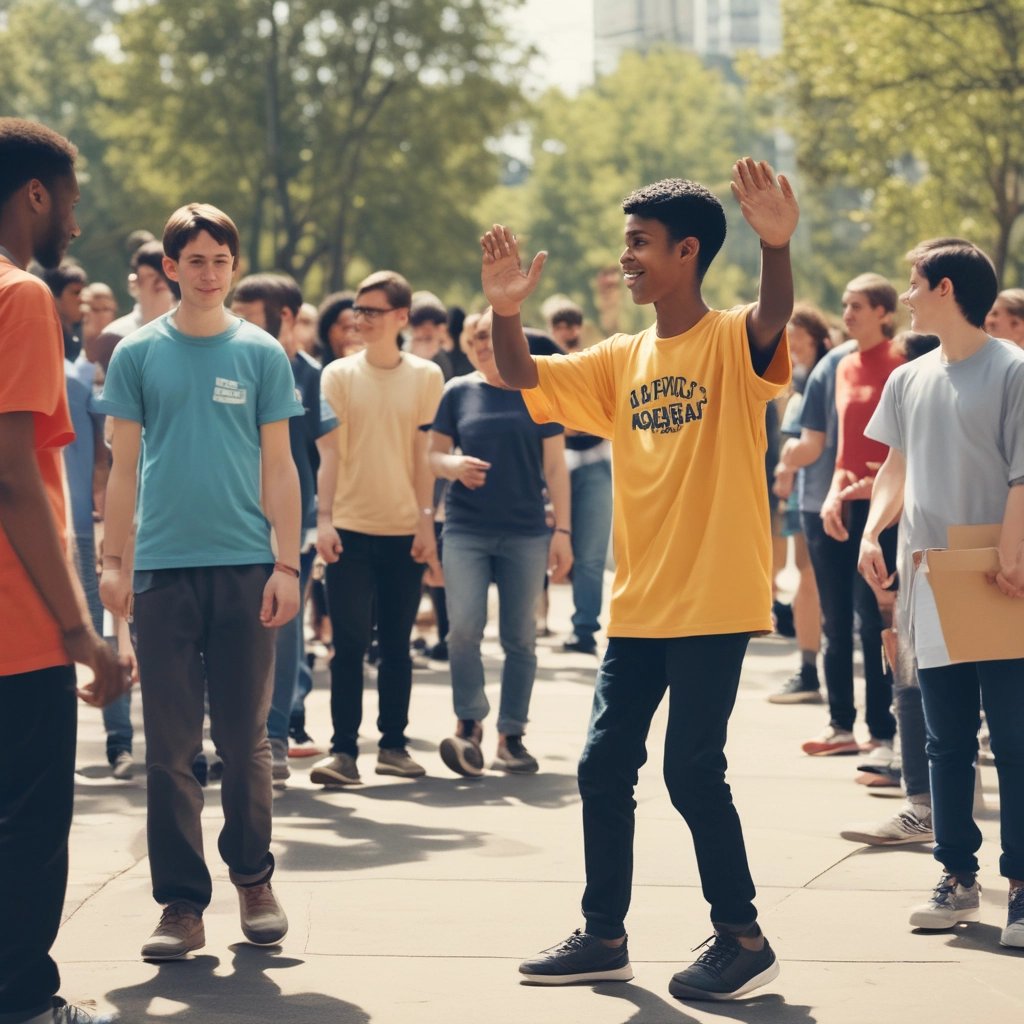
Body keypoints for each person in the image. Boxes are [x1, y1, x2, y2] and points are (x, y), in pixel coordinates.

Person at [482, 158, 796, 1000]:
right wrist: (506, 311)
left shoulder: (732, 339)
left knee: (691, 770)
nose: (627, 257)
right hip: (640, 605)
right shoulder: (622, 358)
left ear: (687, 251)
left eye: (640, 243)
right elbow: (523, 377)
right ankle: (603, 934)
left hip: (715, 598)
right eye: (626, 241)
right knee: (601, 766)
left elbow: (773, 318)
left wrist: (777, 247)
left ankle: (743, 936)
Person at [98, 202, 303, 961]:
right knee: (169, 747)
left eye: (221, 260)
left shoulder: (261, 355)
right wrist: (113, 563)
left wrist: (288, 563)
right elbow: (121, 470)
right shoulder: (137, 354)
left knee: (246, 740)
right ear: (169, 270)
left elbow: (279, 468)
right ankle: (181, 904)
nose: (209, 273)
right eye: (195, 261)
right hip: (160, 570)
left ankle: (253, 878)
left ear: (233, 266)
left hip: (248, 567)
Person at [0, 116, 131, 1024]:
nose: (76, 228)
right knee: (28, 829)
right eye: (71, 204)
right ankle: (24, 1002)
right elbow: (16, 483)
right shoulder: (21, 298)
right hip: (17, 624)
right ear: (36, 194)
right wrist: (82, 632)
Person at [858, 238, 1024, 948]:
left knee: (1014, 741)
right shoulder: (909, 377)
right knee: (944, 741)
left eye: (914, 281)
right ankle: (957, 878)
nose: (906, 293)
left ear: (946, 289)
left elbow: (1023, 473)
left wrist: (1014, 554)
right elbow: (895, 464)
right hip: (928, 579)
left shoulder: (1013, 369)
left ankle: (1020, 886)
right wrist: (872, 531)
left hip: (998, 577)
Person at [311, 270, 444, 785]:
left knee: (395, 644)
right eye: (357, 310)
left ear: (400, 317)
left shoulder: (426, 377)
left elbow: (423, 455)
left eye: (371, 311)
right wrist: (323, 520)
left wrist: (425, 522)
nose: (359, 319)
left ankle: (393, 745)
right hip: (347, 527)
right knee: (346, 644)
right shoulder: (338, 375)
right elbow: (329, 455)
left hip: (403, 529)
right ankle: (343, 751)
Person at [429, 308, 572, 776]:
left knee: (520, 639)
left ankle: (512, 735)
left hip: (526, 531)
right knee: (463, 631)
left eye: (490, 335)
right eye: (474, 339)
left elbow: (555, 468)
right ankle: (469, 724)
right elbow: (433, 455)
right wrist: (453, 467)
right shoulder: (457, 392)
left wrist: (563, 534)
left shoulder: (537, 389)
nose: (482, 344)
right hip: (466, 528)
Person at [231, 272, 339, 778]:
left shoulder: (314, 376)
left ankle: (274, 736)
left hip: (290, 526)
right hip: (229, 518)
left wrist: (323, 519)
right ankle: (232, 737)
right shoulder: (226, 364)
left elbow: (329, 452)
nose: (241, 327)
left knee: (284, 629)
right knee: (230, 629)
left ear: (288, 318)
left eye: (251, 318)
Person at [799, 275, 903, 756]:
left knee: (872, 621)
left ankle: (882, 733)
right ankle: (841, 725)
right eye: (844, 305)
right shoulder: (839, 366)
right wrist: (831, 494)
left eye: (857, 305)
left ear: (883, 311)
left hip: (883, 508)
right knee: (834, 619)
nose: (847, 314)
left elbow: (906, 446)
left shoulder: (904, 360)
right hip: (839, 505)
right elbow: (841, 446)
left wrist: (876, 486)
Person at [768, 303, 830, 702]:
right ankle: (809, 667)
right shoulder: (798, 381)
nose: (792, 345)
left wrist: (787, 464)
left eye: (799, 337)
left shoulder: (823, 377)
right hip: (805, 495)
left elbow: (801, 442)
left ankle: (814, 668)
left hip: (826, 493)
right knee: (806, 577)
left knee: (815, 581)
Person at [40, 260, 87, 361]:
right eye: (76, 293)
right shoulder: (42, 338)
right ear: (54, 298)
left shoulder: (84, 330)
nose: (82, 299)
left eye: (83, 292)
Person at [316, 290, 360, 363]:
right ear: (328, 333)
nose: (350, 334)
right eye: (346, 328)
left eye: (356, 328)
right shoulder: (313, 371)